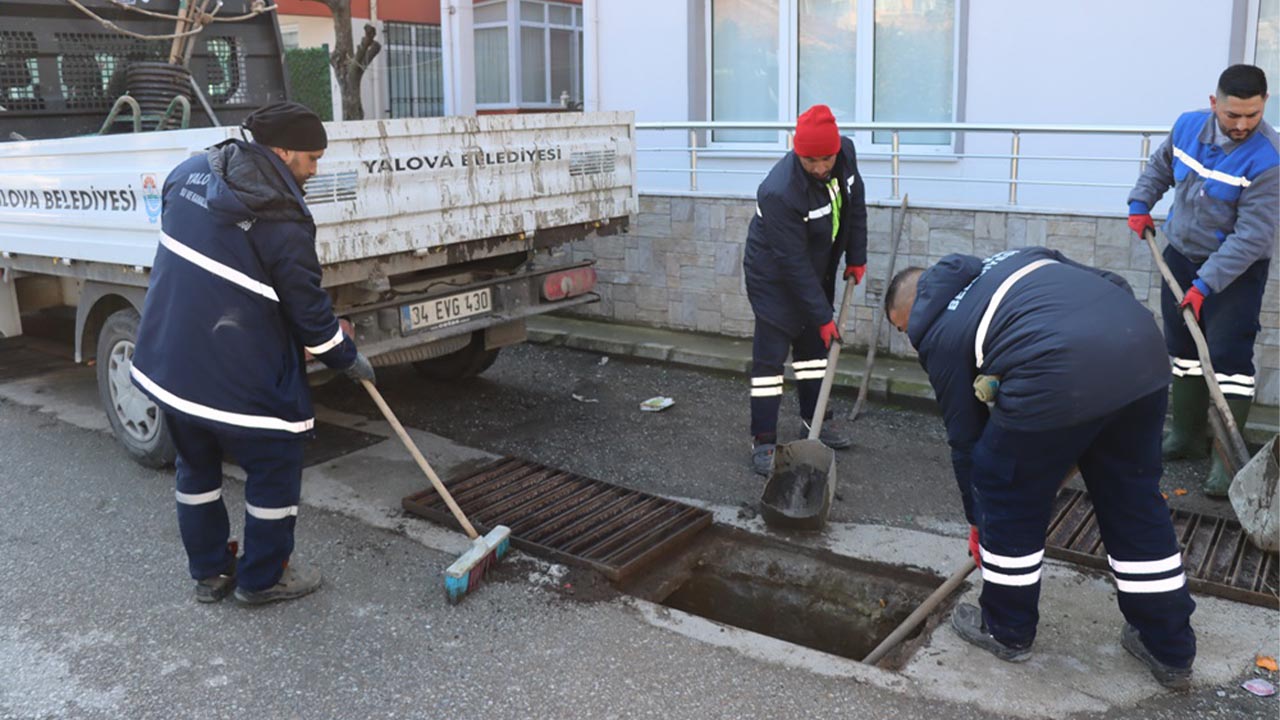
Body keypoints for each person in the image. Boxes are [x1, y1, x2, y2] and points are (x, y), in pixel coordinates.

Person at [883, 247, 1197, 690]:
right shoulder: (1017, 258)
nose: (909, 338)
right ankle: (1170, 647)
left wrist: (980, 520)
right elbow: (1114, 283)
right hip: (1140, 349)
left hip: (1057, 368)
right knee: (1133, 500)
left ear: (911, 311)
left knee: (1000, 482)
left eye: (904, 329)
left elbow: (966, 442)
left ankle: (1006, 629)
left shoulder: (939, 331)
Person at [130, 102, 376, 605]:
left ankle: (210, 573)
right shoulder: (283, 221)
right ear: (281, 152)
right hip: (239, 372)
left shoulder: (191, 171)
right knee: (274, 465)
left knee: (195, 468)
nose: (314, 170)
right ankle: (262, 578)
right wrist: (344, 355)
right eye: (310, 158)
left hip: (171, 361)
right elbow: (309, 312)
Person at [1127, 64, 1278, 496]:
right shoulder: (1189, 127)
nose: (1243, 125)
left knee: (1229, 361)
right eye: (1233, 115)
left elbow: (1252, 236)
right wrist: (1141, 202)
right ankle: (1187, 437)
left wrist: (1205, 285)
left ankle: (1226, 460)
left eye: (1252, 115)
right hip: (1180, 254)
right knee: (1184, 351)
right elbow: (1160, 167)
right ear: (1215, 104)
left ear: (1264, 104)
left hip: (1235, 273)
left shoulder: (1269, 158)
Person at [742, 104, 868, 476]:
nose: (819, 167)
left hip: (816, 269)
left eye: (825, 158)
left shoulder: (845, 153)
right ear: (798, 153)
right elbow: (792, 265)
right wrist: (823, 316)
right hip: (774, 278)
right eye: (810, 160)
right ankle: (763, 440)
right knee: (771, 361)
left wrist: (856, 256)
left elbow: (855, 205)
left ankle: (816, 423)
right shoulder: (779, 191)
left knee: (814, 353)